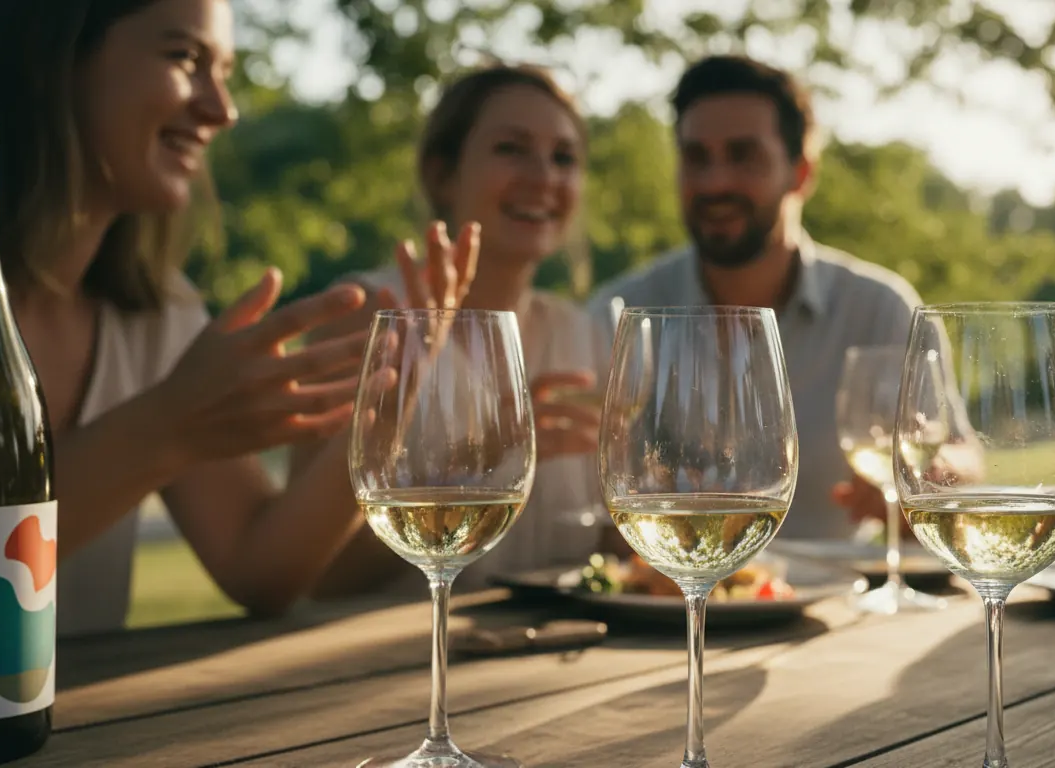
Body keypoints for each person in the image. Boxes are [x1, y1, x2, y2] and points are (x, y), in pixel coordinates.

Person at [0, 0, 381, 636]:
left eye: (222, 70)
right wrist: (168, 429)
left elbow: (261, 567)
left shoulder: (157, 316)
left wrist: (393, 401)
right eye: (184, 58)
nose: (222, 111)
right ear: (54, 60)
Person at [295, 63, 608, 596]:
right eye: (512, 149)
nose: (544, 177)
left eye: (564, 157)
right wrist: (478, 469)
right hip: (388, 668)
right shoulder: (366, 316)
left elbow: (590, 550)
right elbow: (316, 575)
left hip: (550, 662)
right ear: (443, 174)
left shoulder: (581, 333)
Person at [587, 55, 924, 540]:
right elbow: (588, 518)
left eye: (744, 155)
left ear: (801, 173)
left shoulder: (881, 309)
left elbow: (953, 454)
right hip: (661, 607)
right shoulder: (618, 313)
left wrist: (928, 478)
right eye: (696, 157)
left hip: (837, 607)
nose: (715, 182)